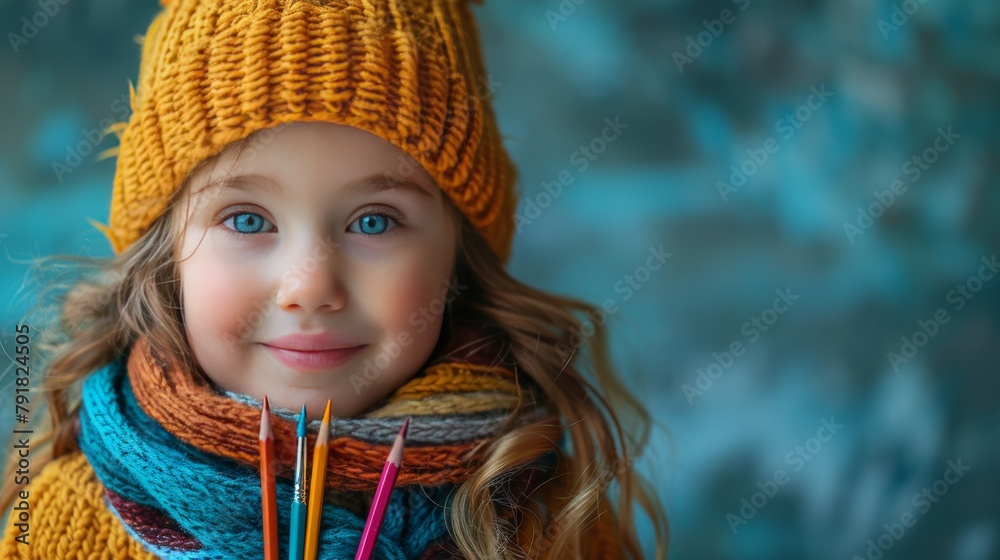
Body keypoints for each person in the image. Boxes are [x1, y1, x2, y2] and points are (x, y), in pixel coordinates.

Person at [0, 0, 668, 557]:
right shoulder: (68, 523)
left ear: (457, 261)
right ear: (166, 258)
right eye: (246, 219)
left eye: (375, 222)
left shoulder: (546, 517)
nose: (310, 284)